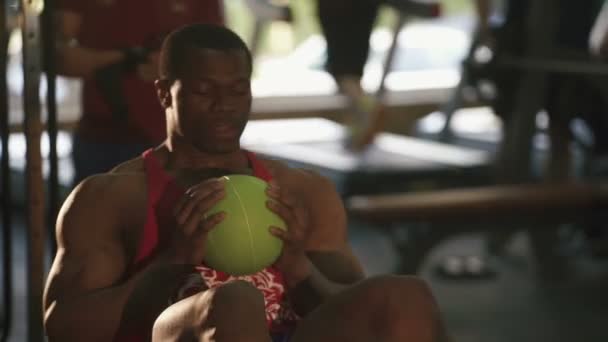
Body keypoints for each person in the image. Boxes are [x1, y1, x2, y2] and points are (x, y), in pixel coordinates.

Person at [43, 24, 449, 342]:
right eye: (204, 91)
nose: (224, 106)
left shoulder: (303, 191)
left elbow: (361, 316)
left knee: (406, 296)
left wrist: (298, 265)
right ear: (165, 93)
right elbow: (65, 328)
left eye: (238, 91)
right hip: (184, 330)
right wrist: (169, 264)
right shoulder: (112, 197)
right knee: (235, 304)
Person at [55, 0, 224, 187]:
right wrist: (128, 61)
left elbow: (219, 55)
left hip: (180, 142)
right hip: (104, 139)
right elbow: (55, 56)